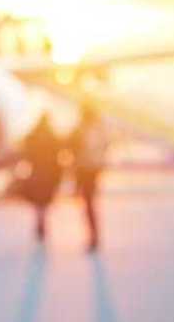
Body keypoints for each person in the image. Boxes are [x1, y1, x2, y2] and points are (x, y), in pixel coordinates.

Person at [68, 104, 110, 253]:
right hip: (94, 168)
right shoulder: (100, 128)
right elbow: (105, 146)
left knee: (88, 203)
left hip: (85, 169)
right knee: (89, 202)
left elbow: (73, 146)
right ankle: (94, 235)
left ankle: (93, 236)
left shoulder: (82, 129)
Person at [17, 113, 62, 243]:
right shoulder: (53, 136)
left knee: (38, 200)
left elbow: (26, 152)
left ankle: (40, 219)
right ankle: (42, 219)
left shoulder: (33, 135)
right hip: (49, 173)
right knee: (44, 200)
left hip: (36, 172)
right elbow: (58, 155)